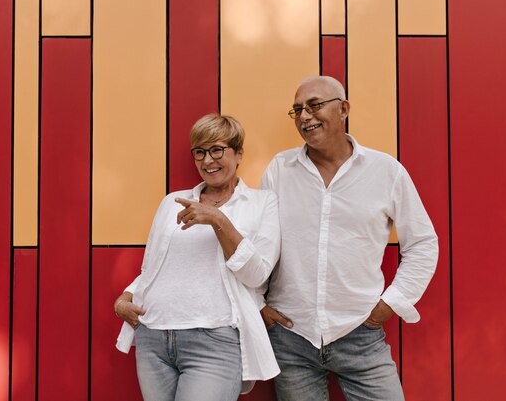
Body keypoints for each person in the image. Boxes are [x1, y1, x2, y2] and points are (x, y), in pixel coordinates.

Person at [259, 76, 438, 401]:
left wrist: (391, 304)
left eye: (314, 105)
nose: (304, 116)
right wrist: (258, 303)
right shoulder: (280, 169)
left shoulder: (385, 171)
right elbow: (260, 242)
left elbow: (423, 242)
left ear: (343, 109)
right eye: (297, 109)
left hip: (360, 332)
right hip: (291, 336)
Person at [114, 113, 281, 401]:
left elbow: (257, 275)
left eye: (217, 150)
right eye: (200, 152)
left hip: (214, 340)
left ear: (239, 153)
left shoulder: (262, 203)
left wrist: (218, 220)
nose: (207, 161)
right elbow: (153, 268)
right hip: (154, 336)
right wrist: (126, 297)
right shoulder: (172, 202)